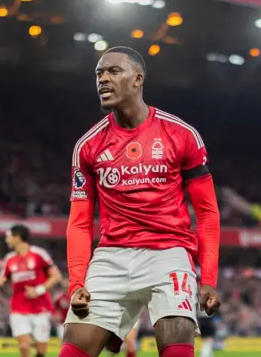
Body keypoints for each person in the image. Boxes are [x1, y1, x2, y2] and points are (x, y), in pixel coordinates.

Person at [58, 46, 221, 357]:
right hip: (111, 256)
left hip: (169, 253)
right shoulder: (88, 146)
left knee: (176, 341)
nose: (103, 79)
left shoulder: (181, 134)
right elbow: (79, 222)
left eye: (113, 71)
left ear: (138, 78)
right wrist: (77, 282)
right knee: (73, 350)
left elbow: (207, 211)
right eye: (98, 74)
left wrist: (208, 278)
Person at [0, 224, 63, 357]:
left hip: (41, 308)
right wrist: (0, 282)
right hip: (18, 309)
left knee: (40, 353)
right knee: (24, 347)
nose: (6, 240)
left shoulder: (38, 253)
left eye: (8, 237)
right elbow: (2, 277)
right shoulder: (9, 259)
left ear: (18, 237)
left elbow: (56, 276)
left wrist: (38, 290)